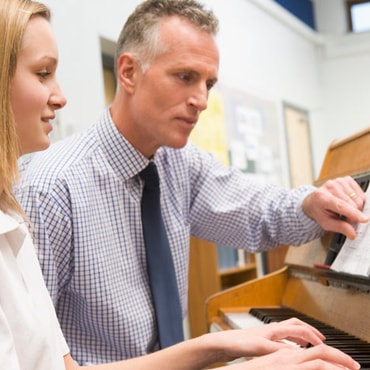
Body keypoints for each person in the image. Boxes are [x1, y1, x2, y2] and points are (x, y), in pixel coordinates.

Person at [2, 0, 362, 369]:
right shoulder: (48, 189)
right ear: (127, 72)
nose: (202, 100)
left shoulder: (180, 163)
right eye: (185, 77)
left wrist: (310, 203)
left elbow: (259, 213)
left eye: (209, 83)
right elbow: (38, 359)